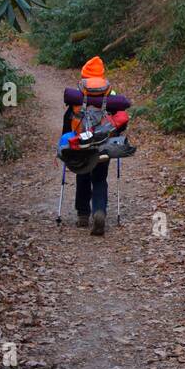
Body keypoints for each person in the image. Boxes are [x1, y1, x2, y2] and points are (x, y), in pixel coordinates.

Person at [59, 56, 129, 235]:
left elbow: (68, 118)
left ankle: (83, 215)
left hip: (81, 141)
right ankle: (100, 212)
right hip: (103, 142)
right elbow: (121, 120)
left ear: (84, 74)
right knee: (99, 178)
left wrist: (66, 140)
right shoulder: (110, 93)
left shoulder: (78, 92)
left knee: (82, 174)